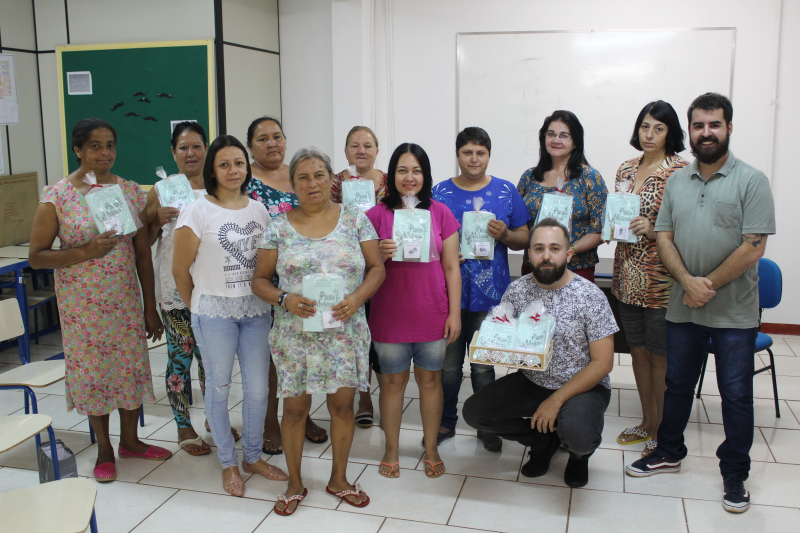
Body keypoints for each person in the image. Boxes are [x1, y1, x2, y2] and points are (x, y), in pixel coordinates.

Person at [626, 93, 776, 514]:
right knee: (677, 385)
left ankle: (734, 473)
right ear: (689, 131)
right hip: (683, 307)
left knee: (735, 394)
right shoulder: (677, 181)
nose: (706, 132)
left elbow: (754, 247)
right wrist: (687, 283)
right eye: (698, 125)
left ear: (728, 128)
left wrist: (704, 284)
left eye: (714, 124)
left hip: (734, 313)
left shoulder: (752, 180)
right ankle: (669, 450)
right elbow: (664, 236)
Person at [29, 117, 170, 483]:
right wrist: (86, 251)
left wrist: (149, 307)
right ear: (77, 150)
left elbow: (142, 253)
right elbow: (37, 256)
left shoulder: (127, 191)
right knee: (94, 373)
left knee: (129, 367)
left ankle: (132, 441)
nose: (104, 153)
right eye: (94, 145)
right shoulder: (57, 196)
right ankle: (105, 448)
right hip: (81, 308)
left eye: (109, 145)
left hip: (123, 300)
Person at [252, 147, 384, 516]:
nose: (313, 183)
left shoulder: (356, 219)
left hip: (345, 329)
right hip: (297, 333)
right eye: (303, 177)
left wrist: (357, 298)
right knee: (294, 410)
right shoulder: (277, 227)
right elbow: (259, 280)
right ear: (293, 184)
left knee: (342, 407)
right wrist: (284, 298)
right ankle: (295, 484)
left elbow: (376, 269)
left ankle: (338, 479)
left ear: (332, 179)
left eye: (320, 175)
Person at [462, 218, 617, 488]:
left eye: (555, 248)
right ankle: (542, 440)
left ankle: (579, 455)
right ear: (528, 254)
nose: (546, 256)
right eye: (538, 248)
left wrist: (555, 401)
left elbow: (603, 364)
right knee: (475, 413)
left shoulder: (590, 296)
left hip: (583, 386)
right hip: (533, 380)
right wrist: (494, 346)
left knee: (578, 433)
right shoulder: (517, 290)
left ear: (568, 254)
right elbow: (507, 338)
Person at [173, 135, 288, 497]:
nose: (232, 170)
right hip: (213, 313)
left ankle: (253, 456)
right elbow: (180, 271)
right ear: (213, 170)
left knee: (258, 389)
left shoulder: (258, 210)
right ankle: (228, 462)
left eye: (238, 163)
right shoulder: (198, 210)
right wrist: (200, 308)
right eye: (224, 164)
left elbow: (268, 263)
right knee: (219, 389)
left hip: (255, 311)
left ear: (246, 166)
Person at [432, 127, 530, 451]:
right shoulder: (439, 193)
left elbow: (524, 237)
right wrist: (442, 250)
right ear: (458, 155)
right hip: (449, 292)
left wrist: (505, 235)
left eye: (480, 152)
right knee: (448, 365)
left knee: (484, 363)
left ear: (489, 155)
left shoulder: (505, 191)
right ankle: (446, 421)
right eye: (467, 152)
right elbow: (425, 239)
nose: (474, 158)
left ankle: (485, 423)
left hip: (491, 294)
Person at [367, 143, 462, 479]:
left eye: (416, 170)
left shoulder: (441, 213)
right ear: (391, 175)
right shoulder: (376, 215)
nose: (410, 177)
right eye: (403, 170)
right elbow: (358, 267)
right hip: (389, 314)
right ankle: (391, 449)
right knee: (391, 385)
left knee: (430, 381)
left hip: (432, 311)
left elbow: (452, 268)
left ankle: (432, 447)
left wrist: (454, 314)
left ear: (426, 175)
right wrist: (378, 253)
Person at [145, 121, 236, 456]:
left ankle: (215, 419)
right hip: (175, 287)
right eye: (183, 147)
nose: (191, 153)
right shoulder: (162, 189)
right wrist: (156, 219)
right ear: (173, 152)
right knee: (180, 356)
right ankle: (184, 426)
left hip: (213, 286)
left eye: (197, 146)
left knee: (212, 359)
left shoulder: (220, 186)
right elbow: (145, 240)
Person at [244, 116, 328, 453]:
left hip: (303, 284)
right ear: (250, 146)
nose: (272, 143)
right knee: (269, 360)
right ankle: (269, 423)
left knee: (301, 357)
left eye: (277, 136)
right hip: (263, 283)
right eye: (262, 139)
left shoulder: (298, 174)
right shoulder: (244, 181)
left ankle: (300, 416)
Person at [612, 102, 689, 457]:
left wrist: (655, 228)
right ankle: (647, 422)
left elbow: (688, 226)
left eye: (658, 128)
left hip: (661, 280)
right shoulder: (626, 169)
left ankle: (664, 431)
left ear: (671, 132)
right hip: (626, 276)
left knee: (660, 357)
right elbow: (618, 214)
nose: (649, 135)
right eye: (645, 127)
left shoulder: (681, 172)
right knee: (637, 353)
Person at [331, 126, 388, 429]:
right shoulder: (336, 183)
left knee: (380, 334)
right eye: (354, 145)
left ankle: (385, 396)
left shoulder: (389, 183)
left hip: (384, 267)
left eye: (367, 145)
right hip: (349, 269)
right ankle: (363, 397)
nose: (361, 151)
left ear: (377, 150)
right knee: (357, 335)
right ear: (346, 151)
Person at [517, 110, 608, 282]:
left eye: (564, 135)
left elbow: (601, 229)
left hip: (577, 270)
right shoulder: (529, 177)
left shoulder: (590, 178)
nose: (556, 140)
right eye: (551, 134)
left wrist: (568, 249)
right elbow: (518, 224)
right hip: (534, 269)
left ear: (575, 143)